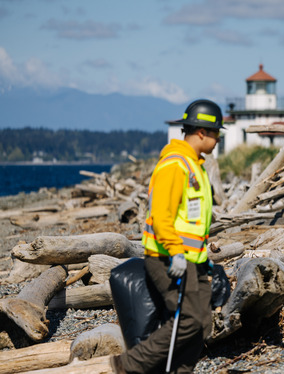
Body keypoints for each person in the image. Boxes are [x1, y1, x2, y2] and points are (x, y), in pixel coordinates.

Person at [111, 99, 224, 373]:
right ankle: (127, 365)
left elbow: (191, 218)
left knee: (202, 325)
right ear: (201, 132)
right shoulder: (175, 165)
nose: (218, 139)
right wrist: (175, 250)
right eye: (217, 133)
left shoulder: (193, 164)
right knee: (188, 320)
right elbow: (161, 215)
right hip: (168, 259)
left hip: (192, 260)